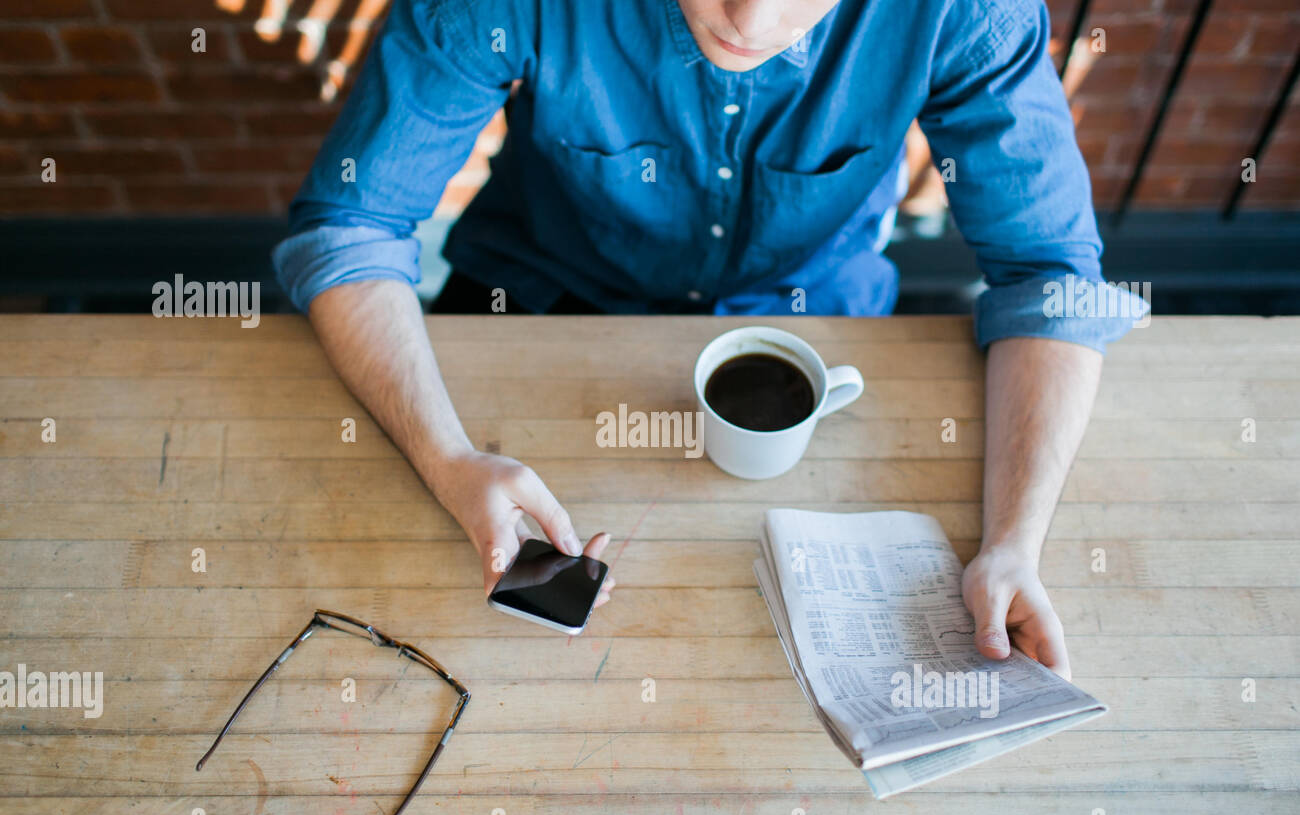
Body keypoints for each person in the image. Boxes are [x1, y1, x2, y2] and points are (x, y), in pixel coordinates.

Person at [273, 0, 1148, 678]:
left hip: (819, 323)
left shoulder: (965, 12)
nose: (749, 25)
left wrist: (1013, 543)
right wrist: (450, 458)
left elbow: (1050, 279)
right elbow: (351, 228)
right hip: (536, 302)